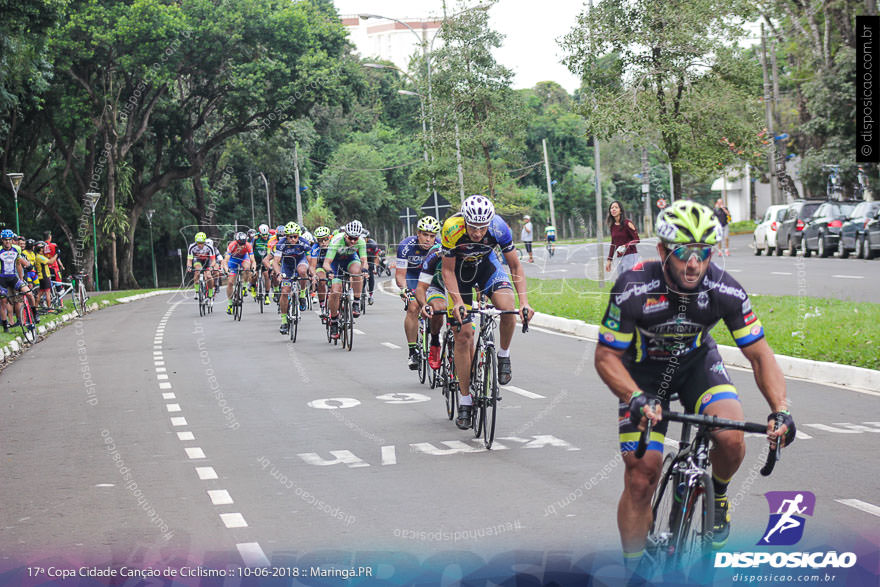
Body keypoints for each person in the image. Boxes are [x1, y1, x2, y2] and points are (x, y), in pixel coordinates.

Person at [593, 200, 796, 574]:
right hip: (642, 376)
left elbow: (760, 356)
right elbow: (605, 356)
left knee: (732, 438)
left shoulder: (725, 289)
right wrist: (633, 397)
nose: (693, 264)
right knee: (641, 477)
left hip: (696, 366)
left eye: (703, 253)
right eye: (683, 252)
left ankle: (717, 494)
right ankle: (634, 573)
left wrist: (780, 408)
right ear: (663, 251)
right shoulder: (634, 285)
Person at [442, 195, 533, 430]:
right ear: (465, 221)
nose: (477, 233)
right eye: (473, 227)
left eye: (482, 228)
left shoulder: (499, 227)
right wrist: (458, 302)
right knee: (463, 335)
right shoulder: (452, 228)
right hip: (459, 274)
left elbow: (514, 266)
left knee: (507, 306)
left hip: (486, 268)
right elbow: (448, 271)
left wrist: (524, 302)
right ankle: (465, 400)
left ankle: (503, 354)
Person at [396, 216, 441, 370]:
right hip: (414, 279)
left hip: (432, 280)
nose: (428, 239)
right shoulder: (405, 246)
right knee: (413, 306)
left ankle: (436, 339)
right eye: (425, 235)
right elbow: (400, 275)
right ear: (418, 233)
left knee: (439, 307)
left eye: (432, 236)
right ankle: (413, 350)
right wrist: (404, 289)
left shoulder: (441, 247)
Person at [322, 220, 367, 339]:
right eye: (350, 238)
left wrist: (365, 270)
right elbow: (326, 263)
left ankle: (356, 302)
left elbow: (364, 261)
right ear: (345, 235)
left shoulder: (361, 242)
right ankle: (334, 321)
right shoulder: (336, 241)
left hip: (350, 260)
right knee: (336, 291)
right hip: (335, 263)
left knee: (358, 272)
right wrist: (329, 272)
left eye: (355, 239)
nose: (353, 241)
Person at [273, 222, 313, 335]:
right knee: (285, 292)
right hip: (287, 266)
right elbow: (276, 262)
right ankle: (284, 321)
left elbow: (310, 260)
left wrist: (311, 272)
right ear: (286, 236)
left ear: (298, 235)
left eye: (295, 236)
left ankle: (302, 295)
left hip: (301, 262)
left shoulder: (304, 242)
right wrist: (278, 273)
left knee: (302, 271)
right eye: (290, 237)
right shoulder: (281, 244)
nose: (293, 239)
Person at [414, 243, 447, 370]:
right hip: (436, 287)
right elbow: (421, 288)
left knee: (469, 332)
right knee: (438, 308)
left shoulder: (468, 253)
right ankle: (434, 341)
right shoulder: (435, 254)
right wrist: (424, 305)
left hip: (459, 290)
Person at [0, 229, 36, 332]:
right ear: (2, 240)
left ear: (12, 240)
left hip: (13, 277)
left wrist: (22, 278)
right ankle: (5, 326)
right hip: (2, 279)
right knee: (3, 302)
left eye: (9, 240)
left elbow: (18, 263)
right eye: (5, 240)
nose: (7, 242)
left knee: (29, 294)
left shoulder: (17, 249)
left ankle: (34, 315)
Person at [605, 200, 640, 277]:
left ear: (620, 211)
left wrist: (626, 245)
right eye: (612, 208)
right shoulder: (612, 226)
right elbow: (613, 243)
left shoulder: (627, 223)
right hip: (619, 257)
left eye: (616, 207)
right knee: (622, 280)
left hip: (631, 255)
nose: (613, 209)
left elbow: (637, 239)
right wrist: (609, 260)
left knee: (629, 280)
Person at [222, 232, 253, 315]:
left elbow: (252, 259)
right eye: (240, 244)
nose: (242, 246)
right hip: (233, 260)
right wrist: (226, 269)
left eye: (243, 243)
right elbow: (226, 260)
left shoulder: (248, 245)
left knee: (247, 268)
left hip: (243, 258)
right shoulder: (232, 245)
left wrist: (253, 268)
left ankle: (245, 287)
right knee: (230, 282)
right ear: (236, 241)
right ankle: (230, 304)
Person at [308, 226, 333, 320]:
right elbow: (312, 266)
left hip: (332, 265)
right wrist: (314, 275)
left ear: (329, 238)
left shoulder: (334, 245)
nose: (323, 242)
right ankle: (322, 305)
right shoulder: (315, 248)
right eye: (320, 240)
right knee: (321, 280)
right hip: (320, 266)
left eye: (325, 239)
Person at [186, 232, 217, 300]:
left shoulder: (209, 247)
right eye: (198, 243)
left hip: (207, 261)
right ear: (196, 242)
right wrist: (189, 267)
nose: (200, 245)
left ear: (204, 242)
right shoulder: (192, 246)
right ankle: (197, 291)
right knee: (197, 271)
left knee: (209, 276)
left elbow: (213, 260)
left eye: (201, 243)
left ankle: (210, 293)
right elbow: (189, 259)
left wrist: (211, 267)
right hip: (198, 260)